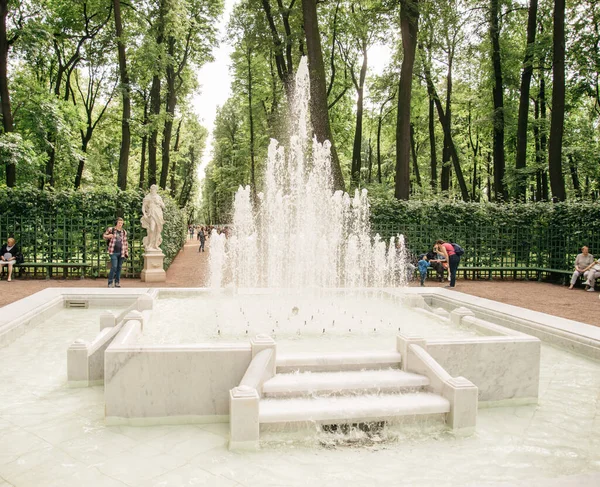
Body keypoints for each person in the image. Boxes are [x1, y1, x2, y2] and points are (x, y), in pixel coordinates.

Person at [103, 217, 129, 288]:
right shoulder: (111, 229)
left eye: (121, 223)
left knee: (119, 268)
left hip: (122, 252)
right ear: (116, 223)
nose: (120, 224)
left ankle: (117, 282)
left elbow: (125, 242)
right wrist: (108, 236)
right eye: (119, 223)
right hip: (113, 252)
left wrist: (126, 251)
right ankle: (110, 282)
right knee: (114, 267)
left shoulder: (124, 232)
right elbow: (104, 236)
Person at [140, 184, 165, 251]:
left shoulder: (159, 197)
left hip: (159, 214)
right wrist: (144, 214)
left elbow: (163, 206)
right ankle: (150, 244)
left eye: (154, 189)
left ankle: (156, 245)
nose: (152, 190)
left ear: (156, 190)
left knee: (158, 230)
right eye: (151, 189)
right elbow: (143, 206)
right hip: (152, 214)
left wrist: (159, 203)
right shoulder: (148, 197)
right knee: (152, 229)